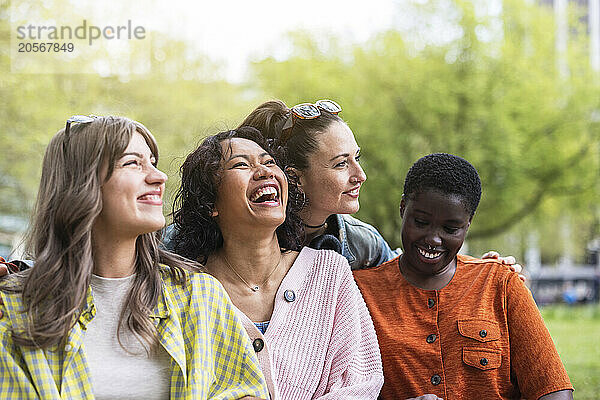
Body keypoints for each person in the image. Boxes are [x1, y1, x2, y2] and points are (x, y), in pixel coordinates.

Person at [0, 116, 268, 400]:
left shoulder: (199, 296)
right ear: (80, 184)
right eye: (132, 163)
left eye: (153, 162)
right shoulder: (15, 309)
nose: (159, 177)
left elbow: (243, 391)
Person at [169, 127, 384, 399]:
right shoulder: (183, 290)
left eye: (269, 162)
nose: (264, 171)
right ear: (211, 202)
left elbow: (360, 383)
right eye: (241, 165)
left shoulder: (330, 272)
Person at [353, 153, 573, 400]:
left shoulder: (500, 283)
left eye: (450, 229)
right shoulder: (359, 293)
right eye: (421, 222)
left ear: (468, 223)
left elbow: (553, 391)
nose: (433, 239)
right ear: (403, 208)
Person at [237, 99, 523, 273]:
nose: (360, 175)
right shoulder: (249, 238)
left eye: (356, 158)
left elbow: (406, 276)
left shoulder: (361, 242)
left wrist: (479, 271)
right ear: (294, 177)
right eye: (340, 164)